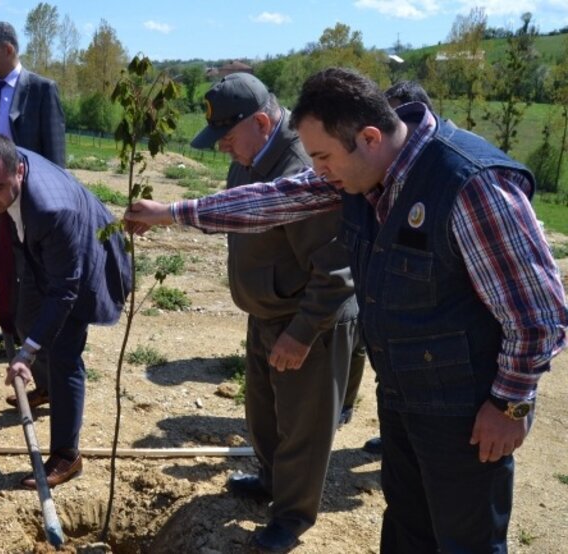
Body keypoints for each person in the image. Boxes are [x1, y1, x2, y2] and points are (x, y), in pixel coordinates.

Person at [125, 67, 568, 553]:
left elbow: (538, 313)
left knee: (465, 542)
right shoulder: (361, 176)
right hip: (403, 394)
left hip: (467, 411)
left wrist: (510, 402)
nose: (317, 170)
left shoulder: (468, 184)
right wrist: (172, 213)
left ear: (370, 137)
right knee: (407, 530)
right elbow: (273, 200)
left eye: (322, 157)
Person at [184, 73, 359, 552]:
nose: (223, 149)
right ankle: (268, 481)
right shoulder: (248, 158)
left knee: (303, 425)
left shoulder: (301, 167)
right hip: (266, 313)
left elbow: (336, 267)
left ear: (261, 122)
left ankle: (292, 517)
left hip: (309, 320)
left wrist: (302, 332)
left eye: (227, 138)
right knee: (262, 413)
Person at [0, 132, 131, 488]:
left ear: (18, 172)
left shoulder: (53, 209)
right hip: (32, 243)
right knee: (26, 317)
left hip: (83, 253)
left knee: (64, 351)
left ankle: (68, 456)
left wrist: (25, 353)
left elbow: (64, 291)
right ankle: (46, 388)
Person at [0, 21, 67, 409]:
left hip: (26, 199)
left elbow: (55, 156)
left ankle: (43, 370)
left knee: (33, 280)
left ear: (9, 49)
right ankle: (12, 329)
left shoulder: (41, 90)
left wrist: (49, 200)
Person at [353, 79, 437, 456]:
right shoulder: (370, 179)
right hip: (391, 343)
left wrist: (509, 405)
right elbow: (288, 194)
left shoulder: (450, 176)